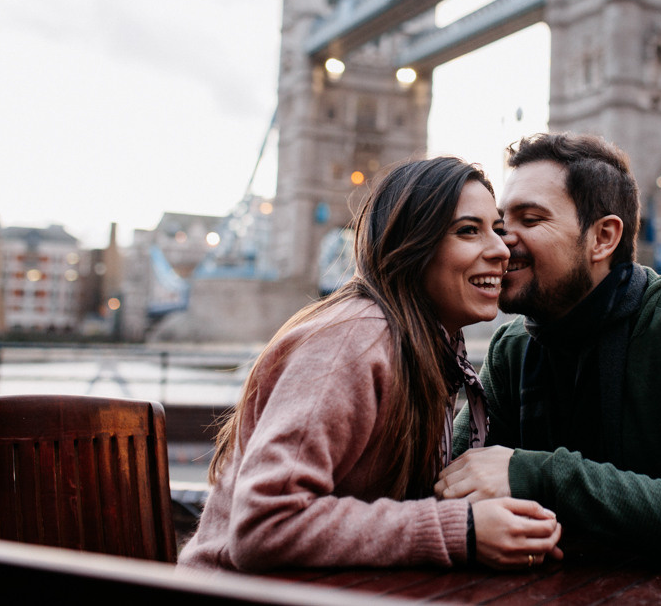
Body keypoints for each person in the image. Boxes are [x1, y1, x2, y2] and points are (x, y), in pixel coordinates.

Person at [435, 132, 661, 575]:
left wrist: (539, 476)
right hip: (587, 582)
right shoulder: (512, 348)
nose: (500, 243)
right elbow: (450, 481)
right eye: (499, 224)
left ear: (603, 237)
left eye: (529, 220)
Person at [179, 157, 563, 572]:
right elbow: (264, 525)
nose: (501, 250)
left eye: (497, 230)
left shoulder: (427, 345)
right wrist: (462, 530)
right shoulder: (354, 341)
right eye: (468, 230)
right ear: (411, 244)